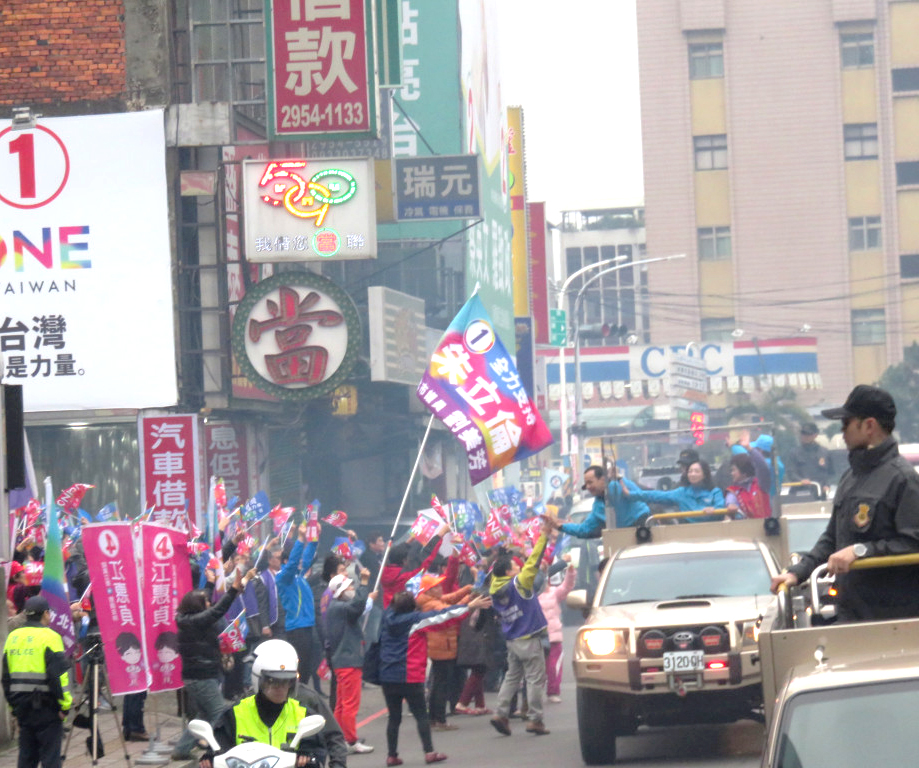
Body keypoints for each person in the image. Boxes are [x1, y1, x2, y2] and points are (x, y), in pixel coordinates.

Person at [771, 385, 919, 621]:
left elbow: (914, 543)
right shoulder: (850, 478)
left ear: (869, 425)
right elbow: (832, 539)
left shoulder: (903, 479)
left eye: (847, 423)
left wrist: (861, 551)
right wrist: (797, 573)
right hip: (851, 611)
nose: (842, 432)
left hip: (895, 619)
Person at [379, 590, 492, 766]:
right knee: (421, 716)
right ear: (413, 607)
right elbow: (442, 617)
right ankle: (429, 752)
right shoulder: (415, 621)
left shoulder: (386, 618)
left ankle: (392, 755)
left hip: (387, 675)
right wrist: (468, 606)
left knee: (394, 718)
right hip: (409, 675)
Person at [199, 639, 347, 768]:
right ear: (259, 679)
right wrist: (212, 756)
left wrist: (308, 756)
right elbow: (220, 745)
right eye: (272, 681)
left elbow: (324, 743)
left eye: (286, 682)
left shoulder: (304, 709)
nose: (280, 688)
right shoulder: (236, 712)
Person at [171, 566, 255, 761]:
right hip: (201, 677)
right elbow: (217, 610)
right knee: (219, 712)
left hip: (200, 675)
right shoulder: (196, 621)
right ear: (199, 606)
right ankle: (225, 750)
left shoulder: (189, 618)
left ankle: (182, 749)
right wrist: (233, 590)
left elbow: (205, 599)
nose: (209, 603)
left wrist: (209, 582)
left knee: (204, 715)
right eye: (206, 602)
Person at [489, 519, 553, 737]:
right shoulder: (519, 582)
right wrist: (544, 535)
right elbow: (534, 561)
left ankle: (501, 713)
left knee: (512, 676)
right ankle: (536, 719)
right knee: (535, 678)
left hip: (512, 639)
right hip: (528, 637)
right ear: (508, 571)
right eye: (515, 566)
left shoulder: (494, 588)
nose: (519, 567)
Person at [2, 595, 72, 768]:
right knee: (50, 759)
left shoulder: (13, 637)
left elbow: (5, 678)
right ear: (46, 614)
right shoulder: (51, 637)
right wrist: (65, 706)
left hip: (23, 709)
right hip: (47, 709)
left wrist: (14, 708)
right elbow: (58, 677)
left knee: (26, 758)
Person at [415, 563, 473, 730]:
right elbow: (451, 611)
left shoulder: (431, 600)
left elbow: (450, 598)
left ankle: (434, 718)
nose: (441, 588)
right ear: (428, 591)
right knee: (442, 685)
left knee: (438, 684)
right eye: (437, 586)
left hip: (440, 647)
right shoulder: (432, 605)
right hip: (442, 647)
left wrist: (466, 590)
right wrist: (469, 599)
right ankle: (440, 719)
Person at [325, 570, 375, 754]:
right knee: (349, 704)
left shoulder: (335, 607)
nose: (352, 589)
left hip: (342, 661)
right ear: (341, 591)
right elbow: (358, 605)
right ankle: (351, 740)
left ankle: (341, 737)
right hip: (348, 661)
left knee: (341, 704)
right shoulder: (341, 608)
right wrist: (364, 584)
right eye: (350, 587)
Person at [277, 523, 320, 685]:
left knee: (308, 667)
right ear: (286, 561)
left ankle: (302, 698)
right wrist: (301, 539)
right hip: (297, 628)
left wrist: (314, 537)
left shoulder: (298, 575)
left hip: (308, 626)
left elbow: (307, 558)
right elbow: (294, 562)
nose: (301, 562)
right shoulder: (284, 577)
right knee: (300, 669)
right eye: (297, 560)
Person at [621, 460, 725, 523]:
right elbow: (655, 495)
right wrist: (630, 494)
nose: (692, 474)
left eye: (696, 471)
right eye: (690, 471)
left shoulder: (715, 492)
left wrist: (714, 510)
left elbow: (721, 508)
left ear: (705, 474)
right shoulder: (681, 493)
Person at [538, 555, 576, 703]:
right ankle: (534, 694)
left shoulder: (554, 592)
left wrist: (570, 573)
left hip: (554, 636)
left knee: (554, 666)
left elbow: (567, 586)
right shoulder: (531, 595)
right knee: (538, 668)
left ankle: (553, 691)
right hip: (538, 636)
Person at [725, 446, 773, 519]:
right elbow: (730, 501)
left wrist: (749, 448)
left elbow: (763, 467)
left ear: (744, 471)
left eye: (734, 470)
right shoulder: (732, 491)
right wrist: (731, 505)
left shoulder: (761, 484)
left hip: (766, 526)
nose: (732, 473)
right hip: (746, 528)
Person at [788, 422, 834, 498]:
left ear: (815, 435)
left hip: (820, 493)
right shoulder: (794, 453)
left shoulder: (825, 452)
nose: (805, 436)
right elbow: (791, 472)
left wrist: (827, 485)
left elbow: (831, 474)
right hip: (800, 493)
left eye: (808, 434)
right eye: (803, 433)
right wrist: (800, 480)